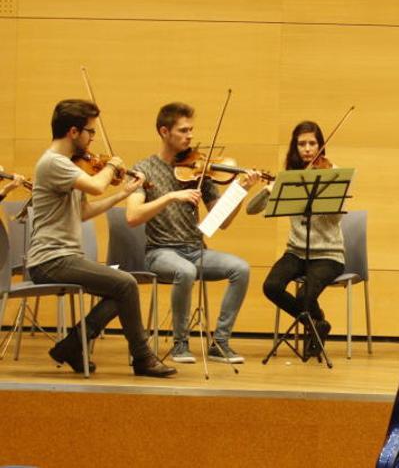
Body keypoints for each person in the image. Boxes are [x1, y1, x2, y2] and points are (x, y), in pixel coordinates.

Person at [28, 99, 175, 377]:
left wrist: (122, 194)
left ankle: (73, 344)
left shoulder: (70, 166)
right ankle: (142, 358)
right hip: (49, 259)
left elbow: (83, 211)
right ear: (74, 132)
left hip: (65, 257)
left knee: (122, 290)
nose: (92, 138)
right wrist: (114, 165)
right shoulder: (53, 163)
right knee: (126, 284)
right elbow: (97, 186)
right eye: (90, 132)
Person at [126, 102, 260, 364]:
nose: (190, 136)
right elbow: (132, 216)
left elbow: (222, 221)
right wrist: (171, 196)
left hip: (195, 250)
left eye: (191, 130)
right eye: (183, 130)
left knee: (241, 269)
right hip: (160, 252)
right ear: (164, 132)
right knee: (185, 272)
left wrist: (240, 190)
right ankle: (180, 344)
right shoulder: (144, 169)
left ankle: (220, 343)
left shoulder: (199, 170)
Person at [250, 121, 343, 359]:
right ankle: (317, 324)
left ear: (321, 146)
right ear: (295, 147)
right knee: (271, 286)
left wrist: (322, 192)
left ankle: (314, 325)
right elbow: (251, 209)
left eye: (312, 143)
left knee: (304, 296)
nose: (308, 149)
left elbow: (334, 217)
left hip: (328, 255)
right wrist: (269, 189)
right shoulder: (288, 178)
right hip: (296, 252)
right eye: (302, 144)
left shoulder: (332, 174)